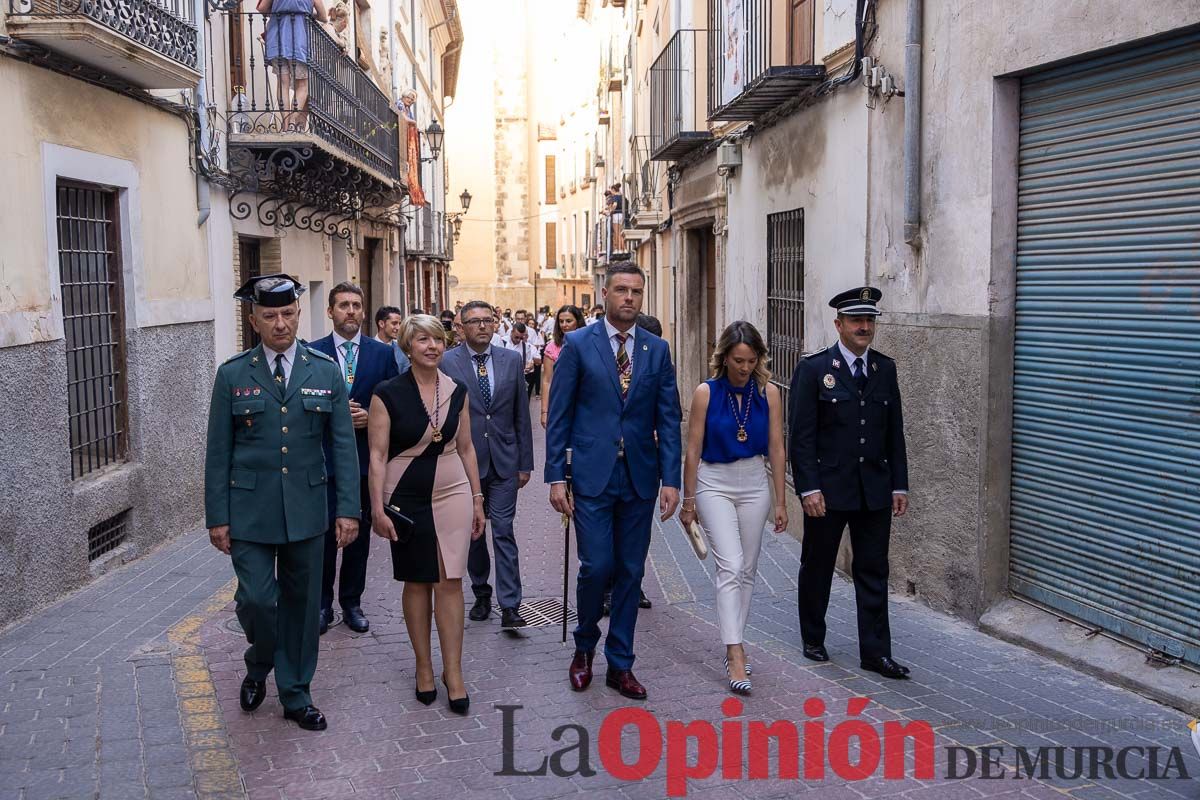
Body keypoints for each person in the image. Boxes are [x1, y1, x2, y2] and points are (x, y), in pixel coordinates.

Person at [204, 274, 358, 732]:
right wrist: (218, 517)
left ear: (298, 314)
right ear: (254, 321)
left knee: (303, 606)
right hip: (249, 512)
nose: (280, 324)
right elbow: (218, 451)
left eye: (288, 314)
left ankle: (295, 693)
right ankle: (259, 662)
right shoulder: (233, 374)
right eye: (269, 316)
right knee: (256, 601)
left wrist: (348, 509)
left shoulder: (324, 371)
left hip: (308, 510)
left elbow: (343, 447)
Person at [546, 261, 682, 701]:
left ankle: (620, 664)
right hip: (591, 475)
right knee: (597, 565)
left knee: (630, 570)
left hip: (639, 477)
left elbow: (669, 419)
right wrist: (555, 477)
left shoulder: (656, 350)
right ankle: (585, 647)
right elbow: (560, 415)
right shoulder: (579, 344)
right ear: (604, 294)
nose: (629, 298)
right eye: (621, 290)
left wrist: (672, 479)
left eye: (636, 292)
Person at [789, 287, 911, 680]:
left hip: (873, 489)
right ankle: (813, 636)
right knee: (818, 565)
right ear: (838, 324)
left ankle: (875, 653)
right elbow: (801, 437)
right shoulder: (813, 370)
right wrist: (808, 488)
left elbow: (895, 432)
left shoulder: (884, 369)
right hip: (828, 491)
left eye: (869, 320)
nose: (864, 327)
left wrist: (899, 485)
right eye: (856, 320)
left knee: (874, 569)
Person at [368, 314, 486, 714]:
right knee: (418, 582)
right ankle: (423, 666)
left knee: (450, 580)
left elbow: (467, 447)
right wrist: (376, 509)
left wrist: (477, 498)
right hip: (403, 494)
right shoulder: (386, 393)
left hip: (452, 490)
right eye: (423, 340)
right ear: (407, 346)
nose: (433, 346)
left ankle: (454, 672)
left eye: (438, 339)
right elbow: (377, 455)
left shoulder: (458, 389)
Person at [680, 322, 788, 695]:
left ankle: (734, 640)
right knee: (731, 564)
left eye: (751, 360)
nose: (744, 367)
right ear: (724, 357)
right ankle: (736, 651)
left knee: (748, 569)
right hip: (714, 482)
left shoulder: (769, 393)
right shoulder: (705, 393)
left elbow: (776, 448)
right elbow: (692, 450)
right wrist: (688, 500)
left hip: (754, 482)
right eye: (738, 360)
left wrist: (781, 501)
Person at [309, 283, 399, 635]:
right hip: (324, 462)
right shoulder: (312, 354)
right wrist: (331, 414)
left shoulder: (382, 355)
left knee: (359, 538)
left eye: (356, 305)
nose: (350, 311)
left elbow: (394, 402)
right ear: (330, 312)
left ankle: (352, 603)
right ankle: (321, 605)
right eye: (343, 305)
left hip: (364, 462)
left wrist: (374, 417)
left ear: (364, 312)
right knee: (326, 536)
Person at [442, 302, 534, 629]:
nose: (482, 326)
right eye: (474, 322)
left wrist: (525, 463)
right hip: (465, 463)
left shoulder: (511, 360)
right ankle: (481, 592)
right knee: (475, 532)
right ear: (461, 327)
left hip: (505, 461)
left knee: (504, 530)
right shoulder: (447, 362)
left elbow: (521, 414)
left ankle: (510, 605)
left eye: (487, 321)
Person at [259, 0, 328, 131]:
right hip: (299, 38)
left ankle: (285, 126)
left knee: (282, 83)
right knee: (303, 85)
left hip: (277, 37)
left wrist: (278, 10)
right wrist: (306, 11)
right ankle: (291, 122)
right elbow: (323, 16)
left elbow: (262, 8)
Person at [539, 304, 584, 429]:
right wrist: (544, 412)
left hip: (585, 402)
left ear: (578, 322)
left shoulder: (589, 344)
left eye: (568, 321)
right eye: (561, 321)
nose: (564, 325)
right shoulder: (552, 348)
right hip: (559, 403)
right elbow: (547, 381)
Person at [505, 322, 542, 399]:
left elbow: (529, 362)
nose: (519, 340)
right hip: (505, 378)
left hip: (520, 378)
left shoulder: (526, 346)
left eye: (521, 338)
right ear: (511, 332)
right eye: (516, 337)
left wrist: (530, 366)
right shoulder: (503, 342)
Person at [374, 305, 410, 374]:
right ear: (381, 324)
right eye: (394, 323)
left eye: (399, 324)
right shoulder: (365, 348)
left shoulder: (402, 349)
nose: (398, 328)